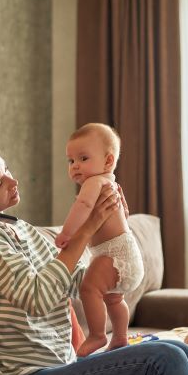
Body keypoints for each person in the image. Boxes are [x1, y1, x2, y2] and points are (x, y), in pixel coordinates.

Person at [0, 141, 188, 375]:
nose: (13, 181)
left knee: (178, 348)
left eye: (7, 169)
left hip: (64, 364)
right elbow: (36, 299)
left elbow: (78, 282)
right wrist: (85, 230)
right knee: (164, 358)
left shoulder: (20, 228)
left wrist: (114, 231)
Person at [55, 123, 143, 357]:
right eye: (70, 161)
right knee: (114, 298)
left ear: (107, 161)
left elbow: (82, 206)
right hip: (125, 255)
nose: (75, 166)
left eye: (83, 158)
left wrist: (66, 234)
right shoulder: (110, 184)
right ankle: (121, 337)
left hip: (114, 254)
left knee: (89, 288)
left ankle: (97, 334)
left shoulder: (94, 183)